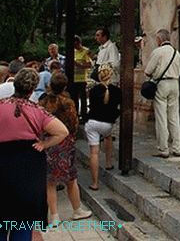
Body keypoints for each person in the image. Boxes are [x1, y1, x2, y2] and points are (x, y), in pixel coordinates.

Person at [0, 68, 69, 240]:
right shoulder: (38, 111)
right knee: (24, 223)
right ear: (32, 90)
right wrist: (44, 144)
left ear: (14, 84)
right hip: (29, 166)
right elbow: (62, 131)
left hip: (3, 163)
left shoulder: (0, 105)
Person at [39, 72, 92, 224]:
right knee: (71, 178)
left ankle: (54, 215)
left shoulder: (43, 101)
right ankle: (77, 210)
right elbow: (74, 123)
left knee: (50, 181)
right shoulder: (68, 102)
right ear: (65, 86)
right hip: (65, 142)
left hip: (48, 141)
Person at [144, 29, 180, 158]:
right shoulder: (176, 53)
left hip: (162, 84)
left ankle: (163, 149)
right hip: (175, 83)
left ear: (159, 39)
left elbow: (148, 71)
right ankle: (177, 147)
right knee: (174, 116)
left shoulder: (158, 52)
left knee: (161, 117)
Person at [85, 64, 121, 190]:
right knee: (108, 136)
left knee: (94, 152)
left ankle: (95, 183)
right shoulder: (116, 91)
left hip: (93, 122)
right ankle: (108, 162)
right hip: (107, 124)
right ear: (111, 75)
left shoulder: (93, 90)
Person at [72, 35, 92, 121]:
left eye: (76, 45)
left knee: (83, 98)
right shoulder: (72, 51)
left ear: (79, 43)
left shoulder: (86, 51)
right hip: (73, 78)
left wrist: (78, 65)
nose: (76, 47)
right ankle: (76, 115)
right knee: (74, 98)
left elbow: (90, 64)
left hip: (82, 79)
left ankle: (84, 116)